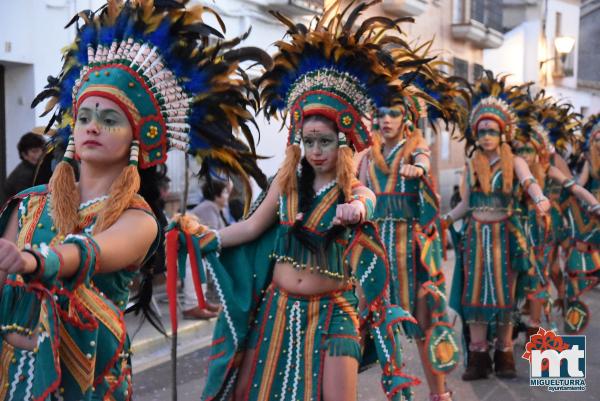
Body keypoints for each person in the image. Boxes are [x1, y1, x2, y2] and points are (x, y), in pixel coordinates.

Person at [0, 1, 269, 399]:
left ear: (137, 138)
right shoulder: (30, 203)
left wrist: (35, 260)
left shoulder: (138, 219)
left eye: (110, 119)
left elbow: (91, 251)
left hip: (91, 382)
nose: (93, 127)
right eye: (86, 116)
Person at [177, 3, 420, 400]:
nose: (317, 150)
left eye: (325, 141)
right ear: (299, 141)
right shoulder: (286, 183)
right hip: (278, 310)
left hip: (334, 312)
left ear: (342, 142)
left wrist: (356, 212)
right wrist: (207, 237)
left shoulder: (351, 190)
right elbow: (251, 228)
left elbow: (366, 202)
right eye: (309, 141)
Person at [358, 66, 469, 401]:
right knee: (369, 327)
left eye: (394, 112)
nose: (387, 119)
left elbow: (422, 159)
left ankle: (440, 394)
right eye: (381, 113)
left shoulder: (414, 146)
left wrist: (418, 169)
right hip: (376, 253)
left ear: (406, 117)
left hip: (412, 252)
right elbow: (356, 186)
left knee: (425, 325)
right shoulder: (367, 154)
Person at [444, 72, 551, 381]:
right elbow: (464, 204)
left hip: (507, 236)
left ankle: (504, 353)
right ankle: (479, 356)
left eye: (492, 130)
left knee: (506, 296)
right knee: (475, 296)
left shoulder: (515, 160)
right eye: (482, 131)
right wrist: (444, 220)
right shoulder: (470, 164)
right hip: (476, 236)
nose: (487, 136)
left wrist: (540, 198)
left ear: (503, 133)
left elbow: (530, 183)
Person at [181, 179, 231, 319]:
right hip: (183, 249)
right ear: (217, 195)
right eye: (225, 192)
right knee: (196, 261)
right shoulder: (208, 207)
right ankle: (191, 306)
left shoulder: (213, 207)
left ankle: (200, 303)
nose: (228, 195)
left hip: (191, 247)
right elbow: (211, 235)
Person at [0, 132, 46, 204]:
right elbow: (27, 203)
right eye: (34, 151)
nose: (40, 154)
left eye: (42, 150)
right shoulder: (23, 175)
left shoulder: (32, 167)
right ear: (24, 155)